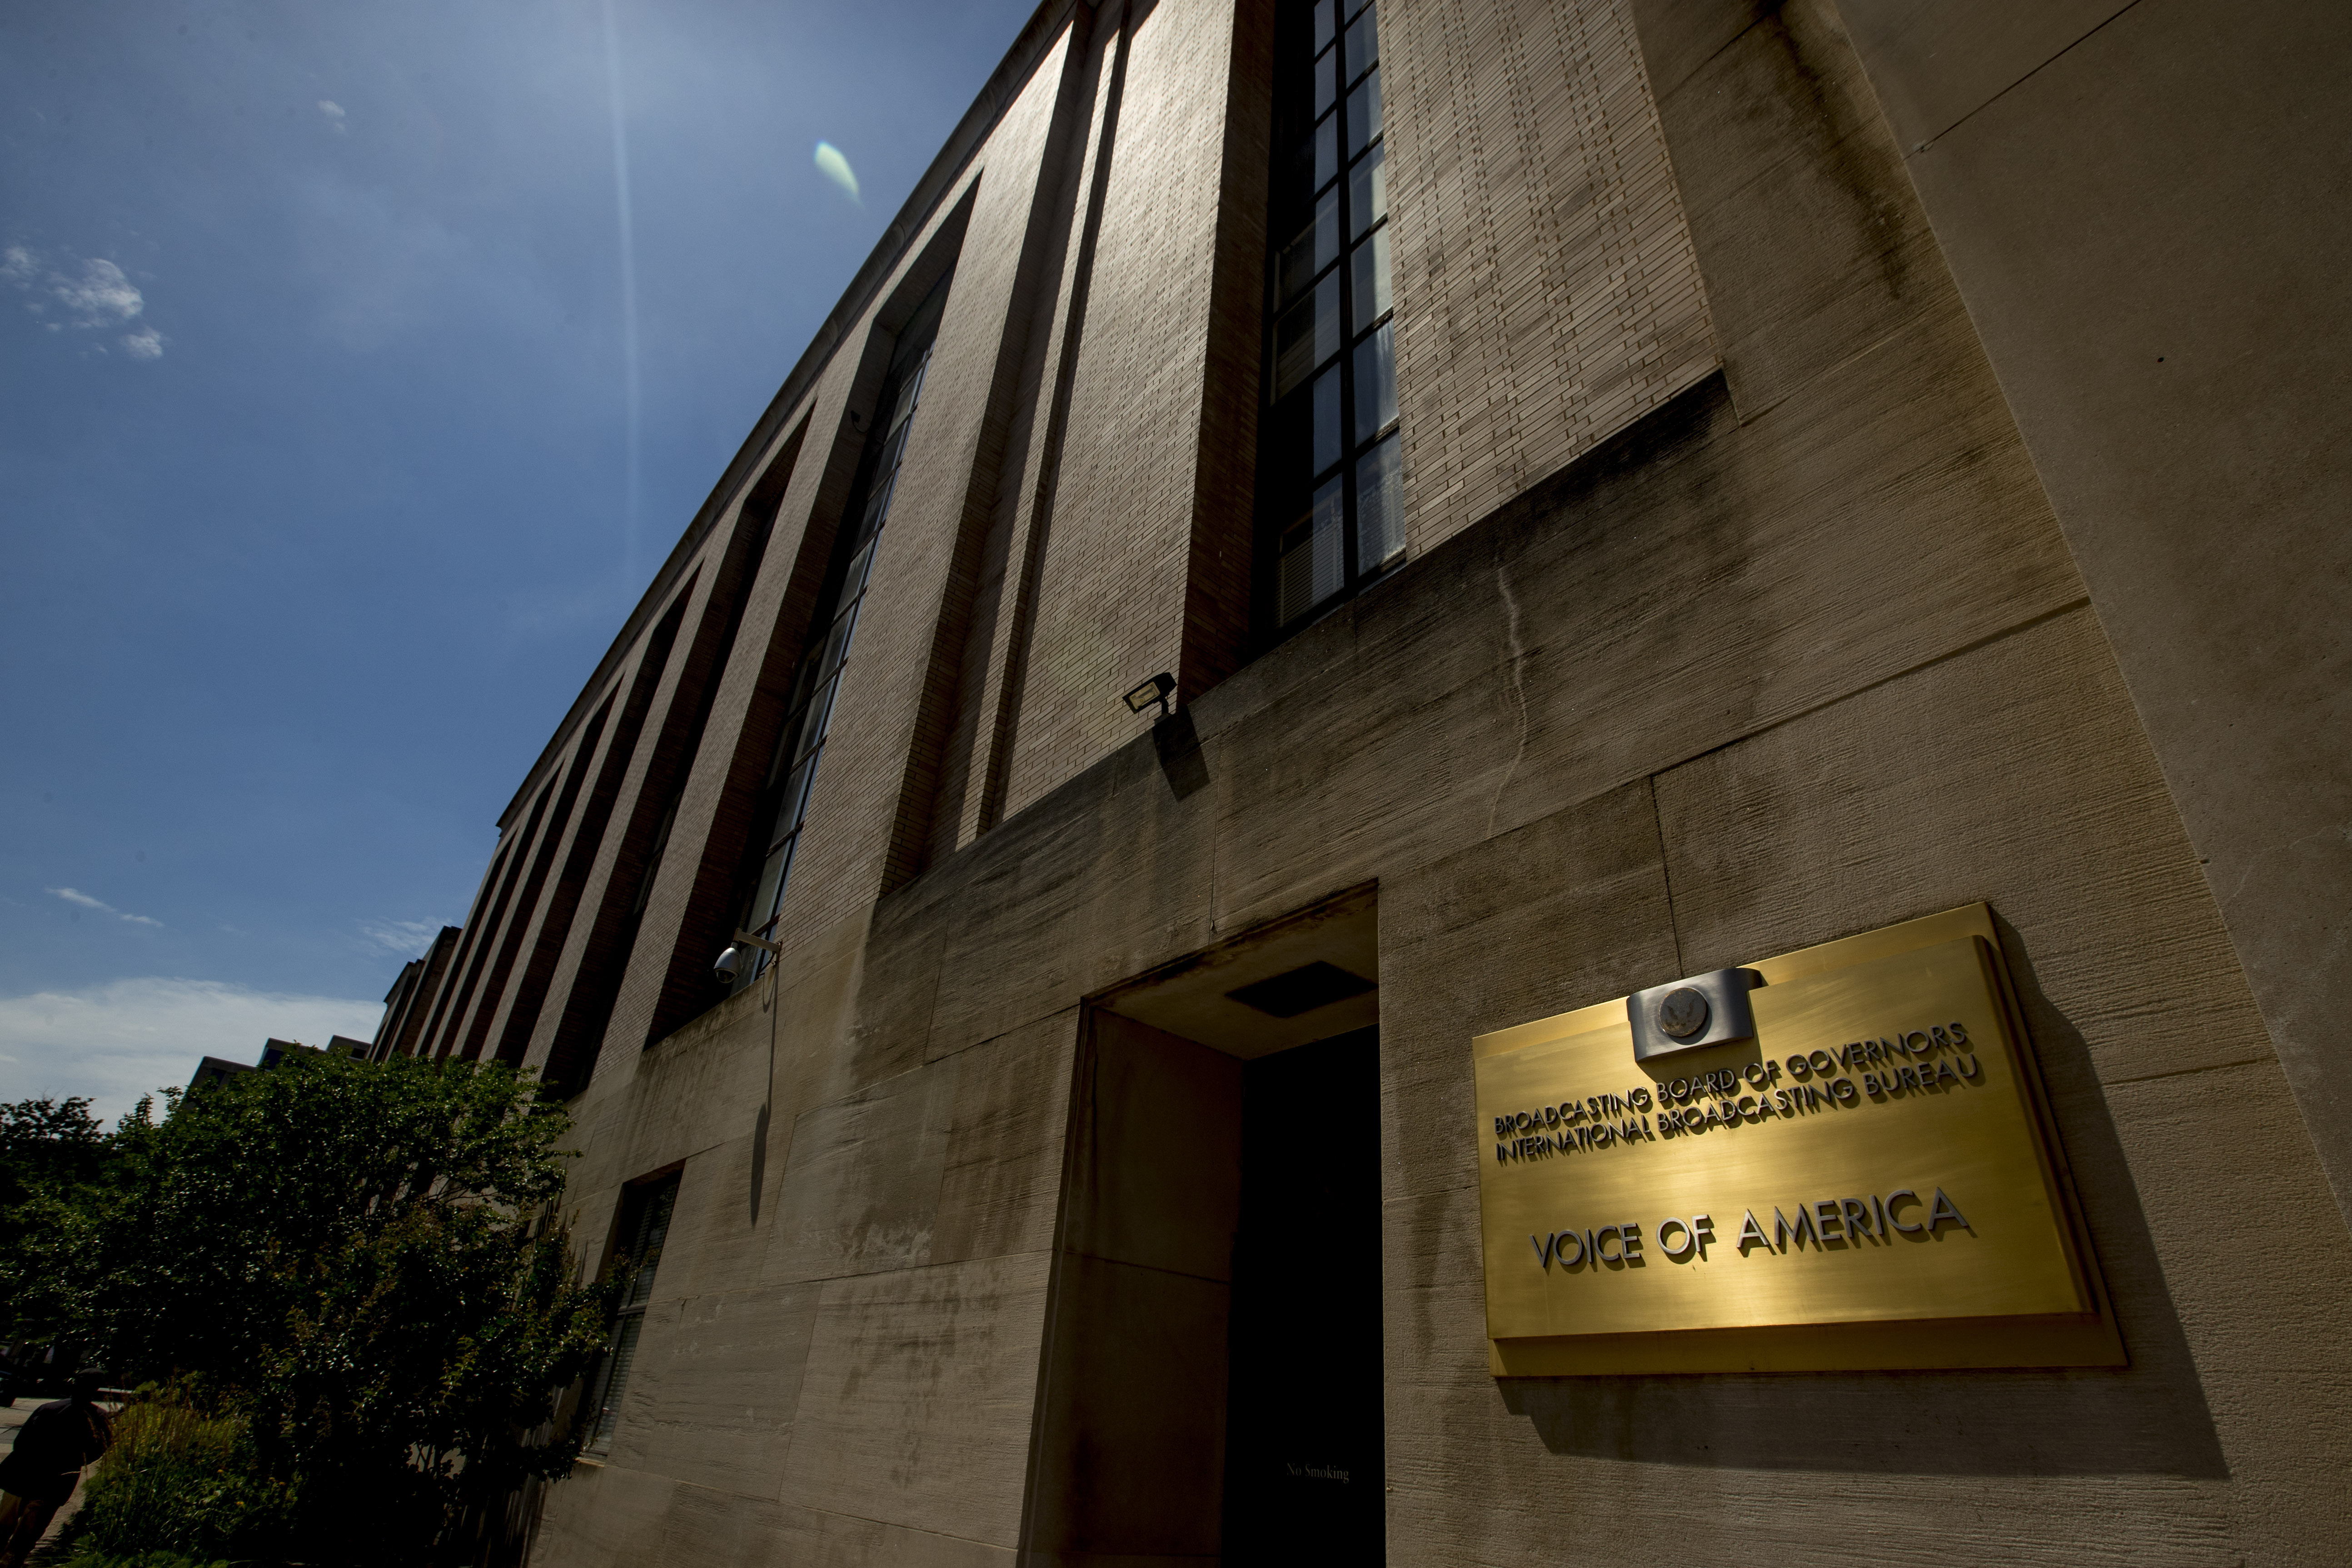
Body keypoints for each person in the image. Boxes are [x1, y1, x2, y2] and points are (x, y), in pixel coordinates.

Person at [0, 1368, 112, 1568]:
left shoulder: (49, 1409)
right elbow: (99, 1450)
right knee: (29, 1531)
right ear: (96, 1389)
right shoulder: (99, 1417)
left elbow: (21, 1443)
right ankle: (11, 1562)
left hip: (22, 1476)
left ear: (74, 1384)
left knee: (5, 1523)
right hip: (56, 1482)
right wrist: (72, 1461)